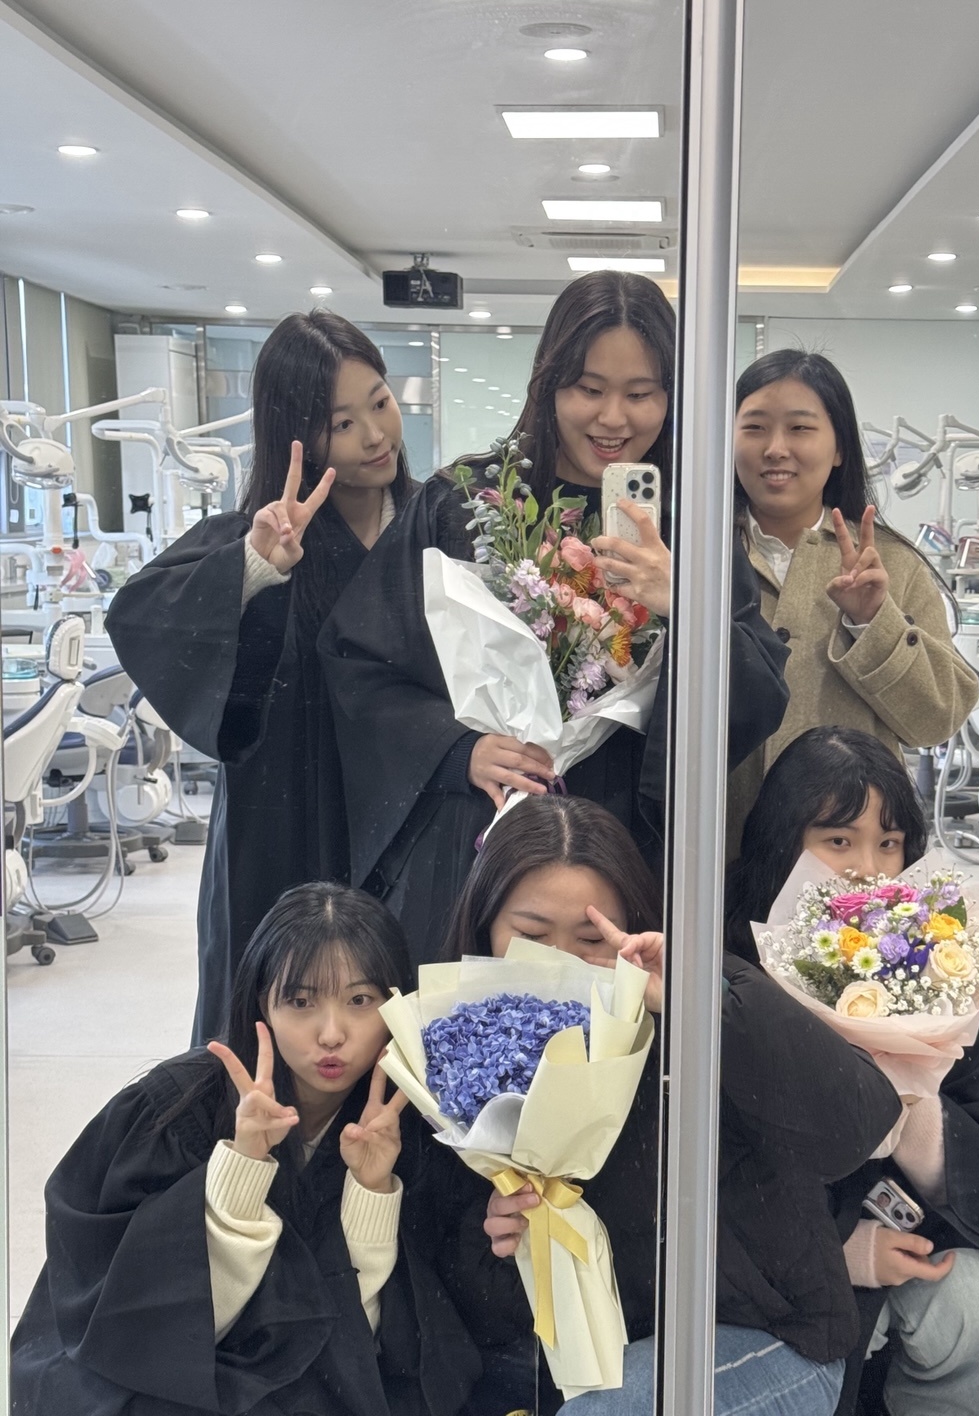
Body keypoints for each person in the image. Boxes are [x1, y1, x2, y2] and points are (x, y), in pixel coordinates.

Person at [319, 271, 789, 971]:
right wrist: (455, 749)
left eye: (642, 393)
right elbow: (359, 659)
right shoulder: (467, 502)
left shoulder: (693, 522)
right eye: (588, 389)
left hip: (625, 832)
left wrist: (687, 605)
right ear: (549, 384)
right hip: (482, 825)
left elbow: (757, 695)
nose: (613, 418)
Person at [438, 794, 902, 1416]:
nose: (558, 962)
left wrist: (698, 1001)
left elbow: (854, 1124)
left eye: (590, 937)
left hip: (775, 1342)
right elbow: (480, 1309)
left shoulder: (692, 989)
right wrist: (501, 1238)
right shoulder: (463, 1051)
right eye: (531, 935)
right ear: (483, 930)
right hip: (609, 1360)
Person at [10, 882, 480, 1416]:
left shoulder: (420, 1129)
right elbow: (149, 1335)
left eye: (359, 1000)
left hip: (328, 1383)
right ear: (263, 1004)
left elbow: (378, 1353)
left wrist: (372, 1189)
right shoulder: (174, 1111)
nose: (331, 1034)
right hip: (176, 1383)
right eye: (300, 1002)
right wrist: (241, 1167)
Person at [727, 727, 979, 1416]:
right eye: (838, 841)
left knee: (977, 1306)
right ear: (783, 840)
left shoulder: (940, 966)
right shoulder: (730, 964)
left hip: (919, 1241)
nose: (867, 870)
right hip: (774, 1270)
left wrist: (913, 1105)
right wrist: (840, 1248)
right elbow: (703, 1175)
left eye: (888, 843)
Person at [106, 311, 413, 1041]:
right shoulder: (257, 538)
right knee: (274, 1021)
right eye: (343, 423)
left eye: (381, 402)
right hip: (284, 821)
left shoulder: (433, 527)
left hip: (405, 811)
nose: (375, 435)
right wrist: (254, 570)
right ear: (296, 435)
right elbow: (140, 614)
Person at [726, 349, 979, 853]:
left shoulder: (891, 564)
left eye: (800, 428)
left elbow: (937, 719)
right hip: (715, 851)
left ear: (839, 446)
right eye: (754, 428)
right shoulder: (689, 556)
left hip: (853, 862)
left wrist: (873, 622)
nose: (775, 449)